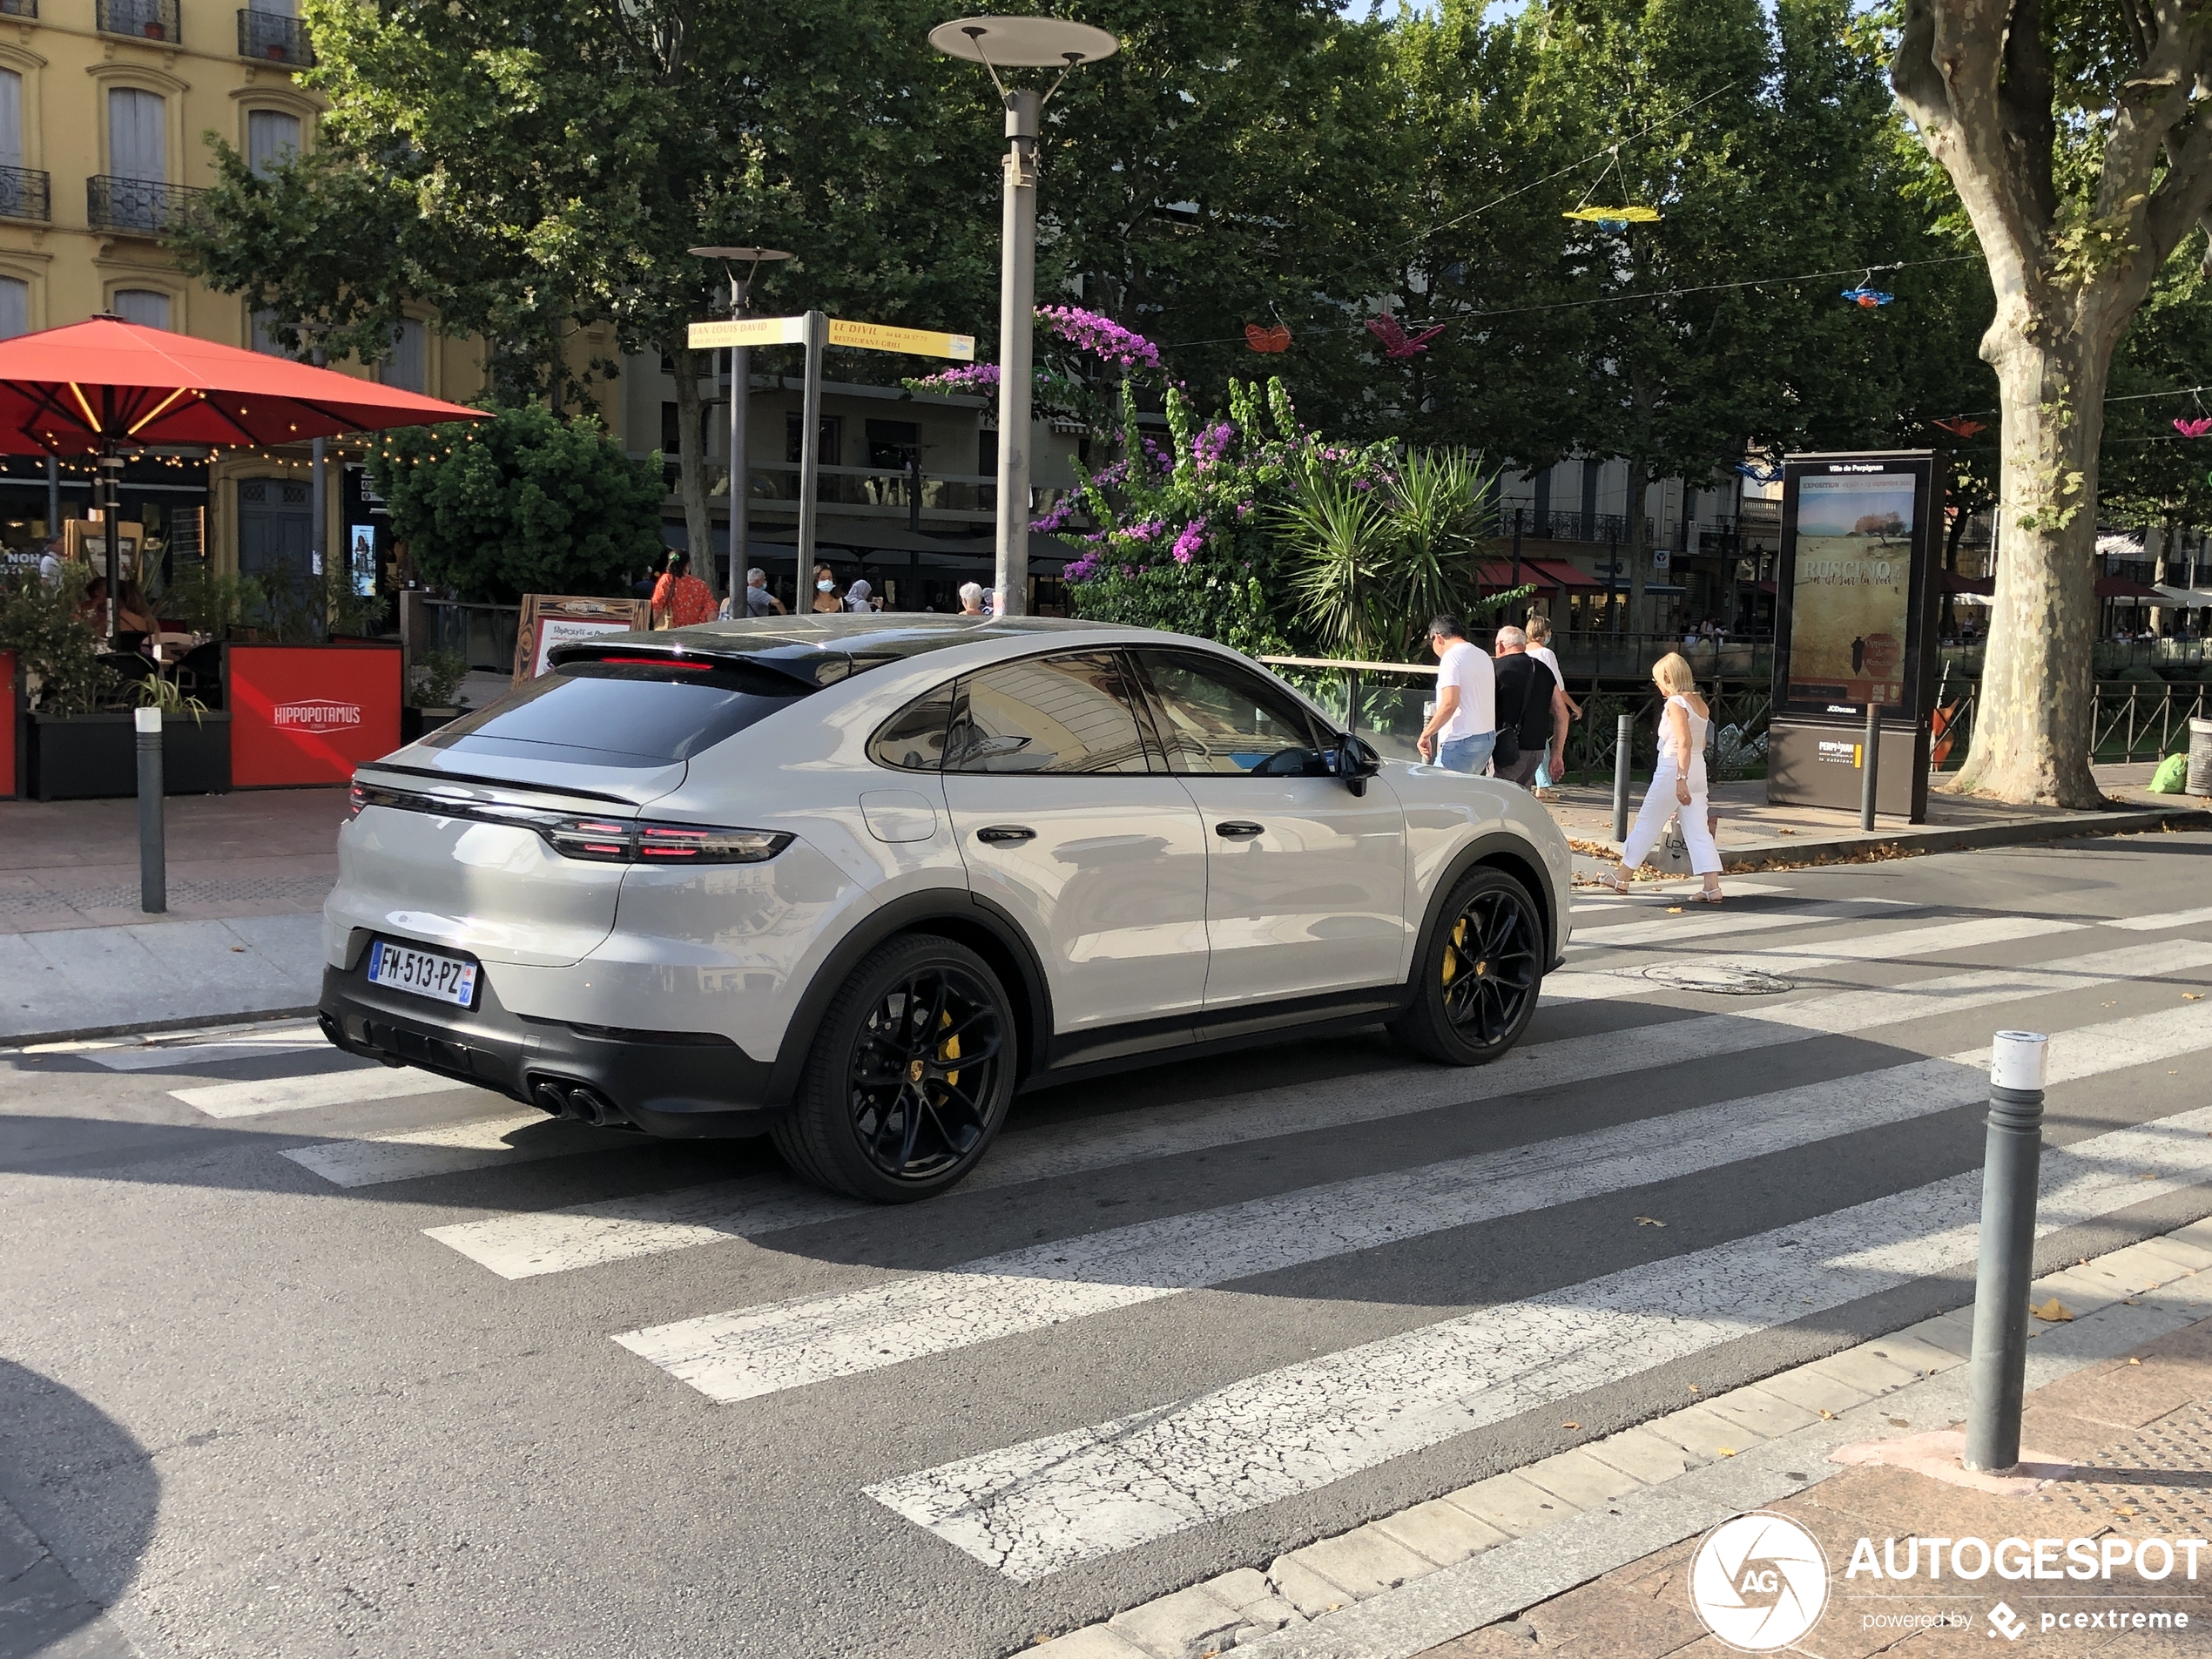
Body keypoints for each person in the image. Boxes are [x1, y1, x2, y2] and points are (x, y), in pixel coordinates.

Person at [1595, 651, 1722, 903]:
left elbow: (1683, 742)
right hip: (1698, 767)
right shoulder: (1700, 703)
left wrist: (1680, 779)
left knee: (1647, 822)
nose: (1657, 685)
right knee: (1698, 829)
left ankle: (1623, 876)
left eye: (1658, 680)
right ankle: (1711, 886)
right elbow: (1702, 742)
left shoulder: (1675, 703)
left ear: (1667, 677)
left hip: (1674, 768)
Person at [1489, 625, 1568, 788]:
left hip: (1507, 749)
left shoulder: (1496, 668)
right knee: (1521, 800)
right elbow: (1562, 714)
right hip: (1536, 749)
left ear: (1501, 645)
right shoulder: (1543, 669)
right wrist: (1557, 754)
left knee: (1500, 798)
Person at [1415, 614, 1495, 773]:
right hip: (1486, 738)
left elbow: (1449, 703)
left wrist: (1426, 734)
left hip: (1460, 739)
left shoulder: (1450, 657)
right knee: (1465, 793)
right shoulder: (1482, 655)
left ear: (1438, 638)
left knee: (1440, 793)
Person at [1525, 615, 1581, 799]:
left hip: (1524, 703)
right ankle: (1544, 785)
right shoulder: (1546, 654)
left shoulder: (1523, 652)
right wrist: (1574, 706)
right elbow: (1558, 687)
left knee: (1537, 743)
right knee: (1542, 742)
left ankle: (1542, 783)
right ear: (1544, 633)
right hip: (1542, 703)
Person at [650, 551, 716, 630]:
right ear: (687, 566)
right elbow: (711, 612)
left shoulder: (667, 580)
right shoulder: (700, 585)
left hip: (670, 631)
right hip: (694, 632)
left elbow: (657, 605)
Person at [721, 567, 785, 620]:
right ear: (757, 581)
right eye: (763, 580)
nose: (765, 582)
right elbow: (777, 602)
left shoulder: (740, 592)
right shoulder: (758, 593)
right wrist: (784, 617)